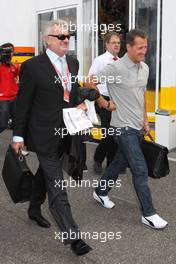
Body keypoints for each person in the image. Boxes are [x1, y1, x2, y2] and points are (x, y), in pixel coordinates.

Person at [11, 19, 96, 256]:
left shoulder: (73, 62)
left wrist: (81, 100)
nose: (66, 40)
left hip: (66, 132)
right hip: (44, 134)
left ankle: (34, 208)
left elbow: (69, 93)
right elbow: (23, 104)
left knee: (45, 176)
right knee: (57, 185)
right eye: (61, 37)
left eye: (68, 36)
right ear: (47, 40)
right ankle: (74, 237)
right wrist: (18, 135)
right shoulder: (32, 66)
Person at [90, 29, 168, 230]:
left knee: (118, 162)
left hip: (137, 127)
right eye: (140, 47)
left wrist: (145, 121)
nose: (144, 50)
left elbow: (141, 96)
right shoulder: (115, 68)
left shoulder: (145, 68)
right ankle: (148, 214)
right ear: (129, 47)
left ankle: (100, 191)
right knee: (140, 168)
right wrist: (104, 103)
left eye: (146, 47)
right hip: (121, 128)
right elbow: (90, 82)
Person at [89, 32, 121, 174]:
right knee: (109, 133)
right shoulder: (100, 60)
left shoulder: (120, 61)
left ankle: (112, 165)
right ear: (107, 44)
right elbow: (89, 82)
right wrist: (100, 100)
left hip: (117, 100)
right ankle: (98, 159)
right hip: (104, 100)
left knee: (116, 133)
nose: (117, 45)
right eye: (113, 42)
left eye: (118, 43)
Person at [0, 43, 19, 133]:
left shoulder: (14, 66)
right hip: (2, 99)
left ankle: (14, 146)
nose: (12, 54)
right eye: (11, 52)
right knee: (3, 124)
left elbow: (21, 75)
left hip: (14, 98)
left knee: (17, 124)